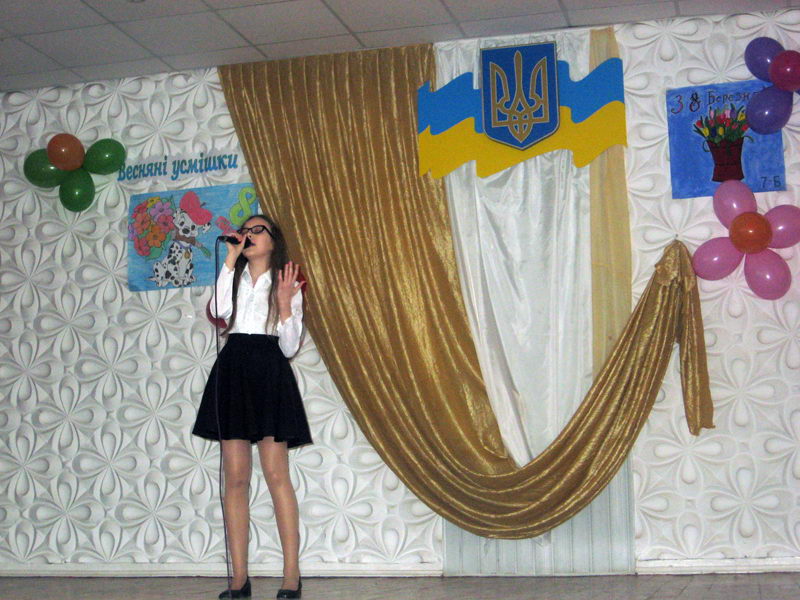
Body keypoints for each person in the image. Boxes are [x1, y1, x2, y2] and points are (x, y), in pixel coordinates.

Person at [192, 214, 311, 599]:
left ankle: (291, 574)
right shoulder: (234, 275)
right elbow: (219, 313)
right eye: (245, 230)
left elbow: (289, 347)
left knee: (277, 475)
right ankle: (239, 579)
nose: (249, 235)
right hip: (234, 370)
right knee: (236, 478)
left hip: (269, 370)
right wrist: (229, 260)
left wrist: (285, 304)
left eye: (258, 230)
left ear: (274, 241)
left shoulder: (287, 280)